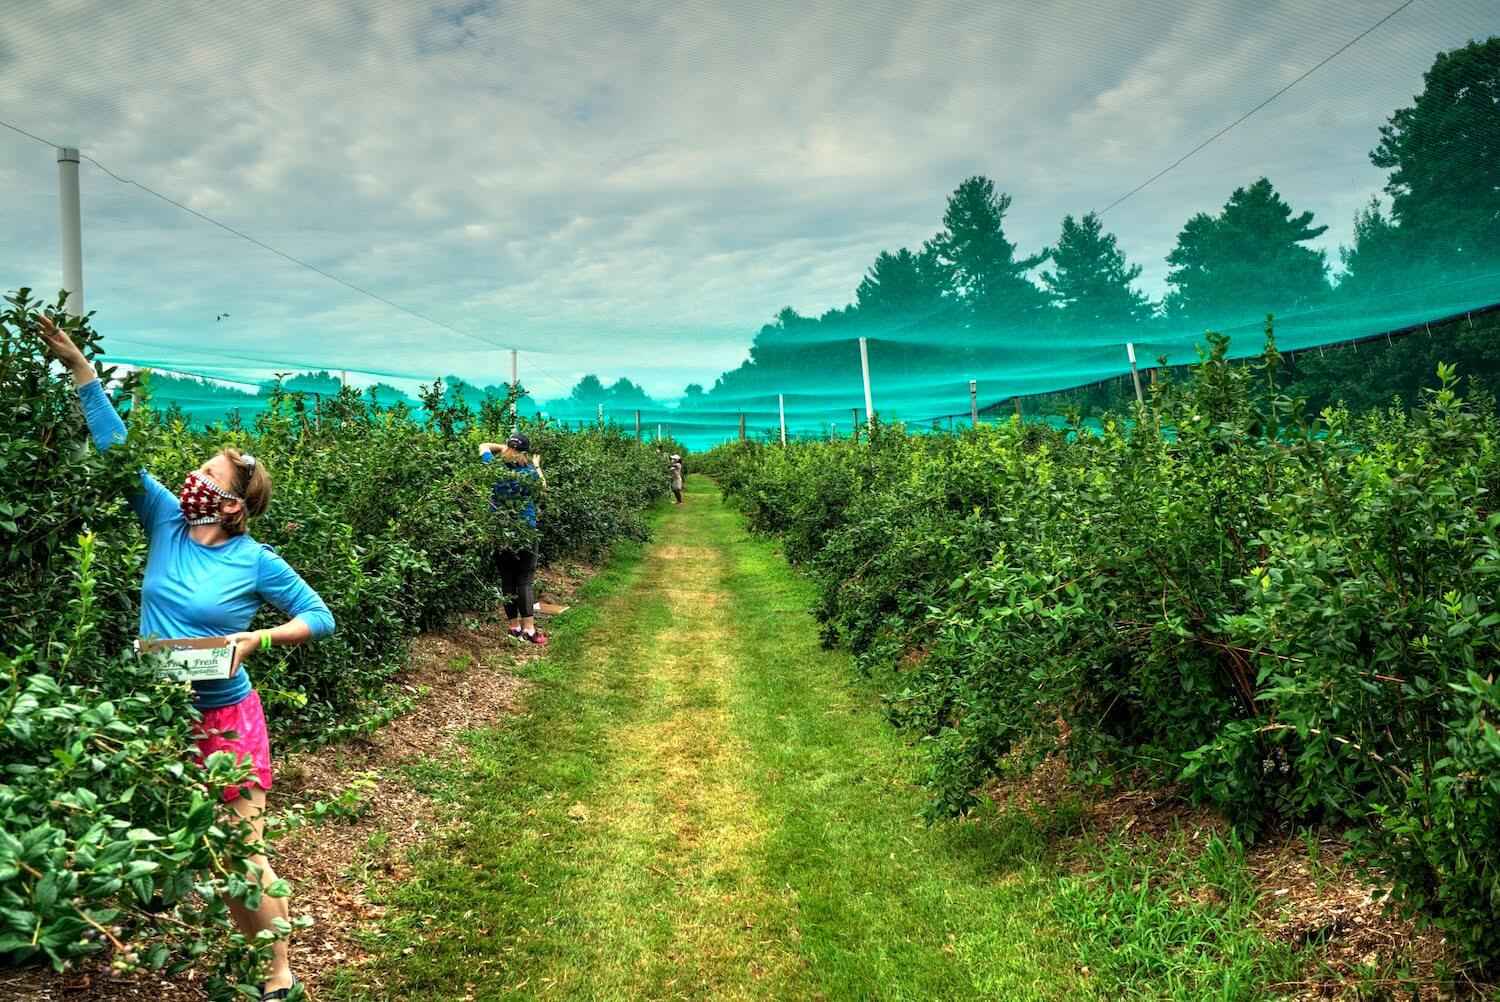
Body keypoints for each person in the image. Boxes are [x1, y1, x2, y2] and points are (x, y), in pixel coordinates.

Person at [31, 314, 333, 1002]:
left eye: (205, 472)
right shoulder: (165, 518)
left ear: (229, 503)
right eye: (195, 468)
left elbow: (320, 616)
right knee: (203, 852)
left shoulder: (256, 561)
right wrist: (82, 371)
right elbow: (116, 449)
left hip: (223, 716)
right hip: (154, 715)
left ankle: (279, 975)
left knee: (239, 851)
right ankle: (261, 960)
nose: (190, 476)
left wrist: (259, 639)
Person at [478, 432, 547, 644]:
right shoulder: (529, 472)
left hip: (500, 531)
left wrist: (506, 448)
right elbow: (543, 486)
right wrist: (535, 464)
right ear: (525, 453)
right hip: (525, 530)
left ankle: (514, 626)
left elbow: (483, 446)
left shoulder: (494, 467)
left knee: (507, 579)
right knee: (524, 580)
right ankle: (530, 630)